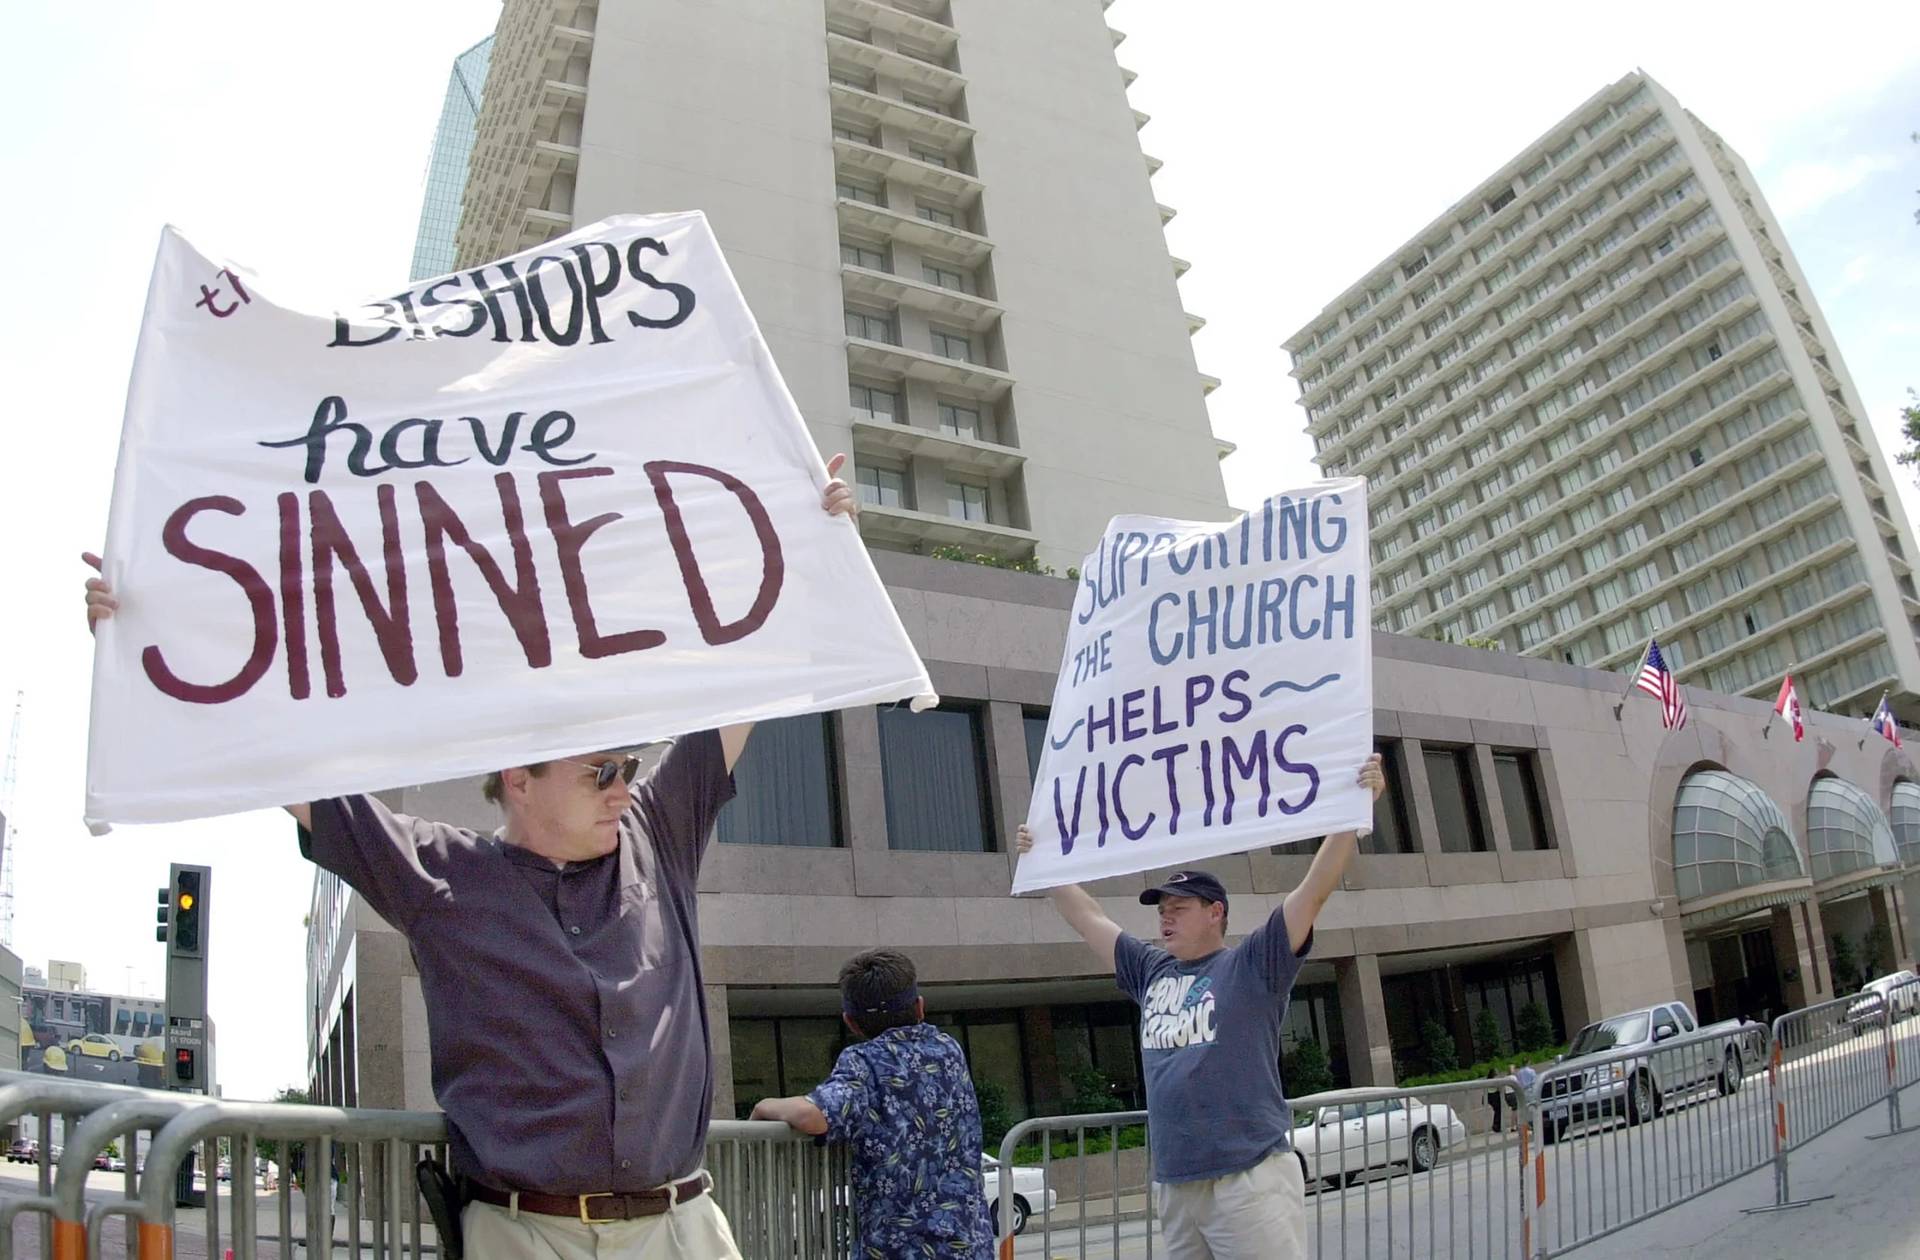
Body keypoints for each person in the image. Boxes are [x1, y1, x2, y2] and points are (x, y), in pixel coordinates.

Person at [85, 456, 861, 1260]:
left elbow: (752, 681)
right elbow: (274, 755)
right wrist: (152, 632)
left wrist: (812, 540)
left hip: (682, 1229)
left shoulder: (657, 836)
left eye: (628, 767)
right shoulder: (439, 875)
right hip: (521, 1234)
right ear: (518, 780)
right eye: (601, 771)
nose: (623, 787)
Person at [1015, 754, 1386, 1260]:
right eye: (1161, 911)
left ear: (1216, 913)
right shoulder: (1149, 969)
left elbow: (1312, 893)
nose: (1165, 919)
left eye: (1178, 909)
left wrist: (1350, 816)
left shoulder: (1255, 963)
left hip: (1249, 1178)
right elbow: (1088, 917)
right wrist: (1047, 862)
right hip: (1176, 1182)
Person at [748, 949, 993, 1257]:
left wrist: (763, 1106)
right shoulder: (949, 1050)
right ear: (920, 1006)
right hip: (968, 1243)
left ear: (851, 1022)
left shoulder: (864, 1062)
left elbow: (814, 1115)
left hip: (899, 1247)